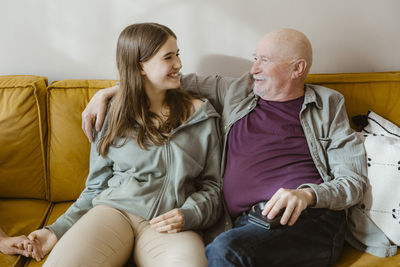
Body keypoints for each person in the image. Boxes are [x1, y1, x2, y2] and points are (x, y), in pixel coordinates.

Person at [81, 28, 367, 266]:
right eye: (255, 58)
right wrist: (111, 91)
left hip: (308, 220)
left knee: (224, 253)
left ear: (297, 68)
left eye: (264, 61)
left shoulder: (328, 105)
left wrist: (307, 195)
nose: (253, 68)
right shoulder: (238, 90)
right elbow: (166, 81)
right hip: (248, 224)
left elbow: (353, 181)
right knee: (225, 249)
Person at [23, 22, 222, 267]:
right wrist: (54, 231)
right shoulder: (110, 115)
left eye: (178, 54)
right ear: (140, 66)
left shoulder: (201, 115)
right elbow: (95, 187)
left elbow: (214, 187)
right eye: (168, 57)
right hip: (113, 213)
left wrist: (188, 214)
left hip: (169, 223)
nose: (179, 64)